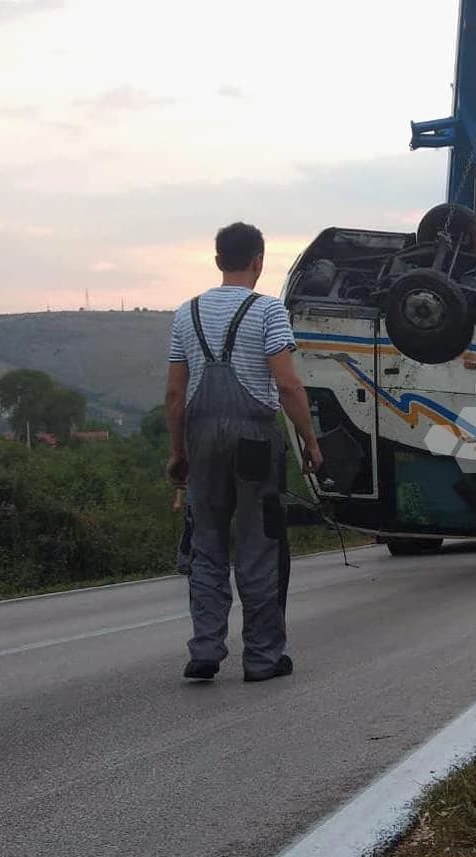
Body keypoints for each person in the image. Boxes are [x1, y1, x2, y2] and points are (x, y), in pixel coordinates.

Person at [164, 221, 324, 683]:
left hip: (202, 438)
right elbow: (288, 384)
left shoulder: (185, 314)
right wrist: (309, 442)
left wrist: (179, 451)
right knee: (260, 547)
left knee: (206, 545)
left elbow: (175, 394)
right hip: (255, 439)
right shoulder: (269, 312)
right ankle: (262, 658)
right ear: (259, 260)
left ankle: (206, 650)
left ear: (217, 261)